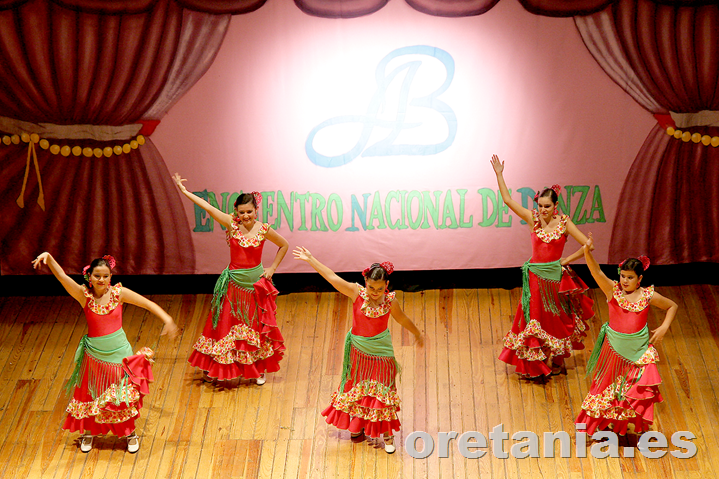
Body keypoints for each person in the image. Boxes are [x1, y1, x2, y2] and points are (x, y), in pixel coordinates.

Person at [32, 252, 179, 454]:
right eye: (97, 276)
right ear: (89, 277)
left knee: (120, 397)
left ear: (111, 277)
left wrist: (167, 319)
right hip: (94, 356)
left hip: (119, 355)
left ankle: (129, 433)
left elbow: (147, 304)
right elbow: (63, 278)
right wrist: (49, 258)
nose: (101, 280)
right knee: (91, 395)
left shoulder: (120, 294)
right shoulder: (83, 296)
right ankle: (89, 432)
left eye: (106, 276)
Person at [293, 247, 423, 454]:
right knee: (357, 388)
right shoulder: (356, 293)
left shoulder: (391, 301)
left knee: (382, 392)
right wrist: (310, 259)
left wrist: (417, 333)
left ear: (386, 285)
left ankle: (387, 434)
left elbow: (402, 319)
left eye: (379, 289)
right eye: (371, 287)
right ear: (365, 283)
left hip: (381, 354)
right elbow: (331, 277)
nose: (374, 292)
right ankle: (357, 427)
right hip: (358, 352)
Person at [173, 174, 288, 385]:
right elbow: (207, 207)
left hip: (255, 287)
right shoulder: (231, 224)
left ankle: (258, 369)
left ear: (256, 211)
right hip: (233, 285)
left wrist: (272, 268)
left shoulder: (263, 230)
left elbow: (284, 245)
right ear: (236, 212)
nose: (246, 216)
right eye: (242, 212)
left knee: (255, 329)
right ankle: (216, 365)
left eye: (249, 212)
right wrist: (185, 191)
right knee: (224, 326)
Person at [491, 154, 595, 377]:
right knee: (535, 319)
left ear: (556, 205)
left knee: (557, 319)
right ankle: (535, 362)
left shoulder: (565, 223)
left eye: (547, 206)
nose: (543, 210)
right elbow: (508, 200)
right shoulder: (532, 219)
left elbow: (588, 245)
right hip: (535, 279)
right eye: (540, 205)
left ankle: (557, 359)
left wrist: (566, 261)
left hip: (556, 278)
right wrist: (500, 174)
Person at [576, 236, 677, 436]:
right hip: (614, 351)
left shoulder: (648, 295)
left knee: (633, 393)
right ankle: (591, 426)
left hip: (639, 353)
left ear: (640, 279)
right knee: (604, 389)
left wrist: (664, 327)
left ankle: (623, 426)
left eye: (630, 277)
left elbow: (672, 305)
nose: (625, 280)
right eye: (623, 276)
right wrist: (587, 253)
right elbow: (596, 271)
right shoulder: (613, 291)